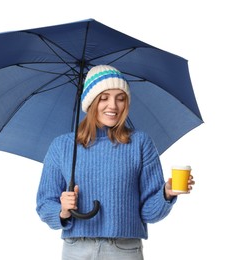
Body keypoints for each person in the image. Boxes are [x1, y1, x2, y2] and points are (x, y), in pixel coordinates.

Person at [36, 65, 195, 260]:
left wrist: (167, 193)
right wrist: (63, 210)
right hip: (76, 249)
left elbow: (149, 214)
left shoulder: (140, 143)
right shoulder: (62, 146)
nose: (113, 105)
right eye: (104, 98)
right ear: (90, 101)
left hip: (124, 250)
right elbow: (44, 204)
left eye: (120, 98)